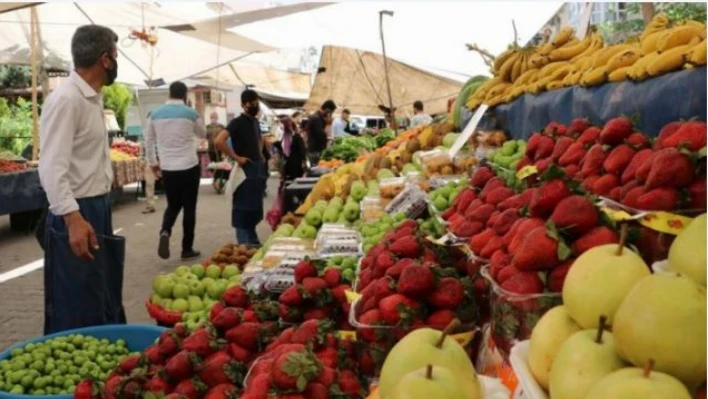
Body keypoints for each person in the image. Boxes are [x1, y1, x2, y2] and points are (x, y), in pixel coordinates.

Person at [38, 25, 126, 334]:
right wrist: (73, 219)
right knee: (76, 304)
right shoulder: (67, 100)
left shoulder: (92, 98)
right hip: (76, 212)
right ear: (105, 59)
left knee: (101, 295)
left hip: (96, 208)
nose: (116, 62)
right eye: (116, 55)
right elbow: (51, 166)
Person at [145, 81, 206, 260]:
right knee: (189, 208)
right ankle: (187, 248)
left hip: (168, 168)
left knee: (173, 205)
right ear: (185, 95)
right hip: (189, 166)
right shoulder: (191, 113)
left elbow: (149, 140)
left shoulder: (154, 114)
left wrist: (153, 163)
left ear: (169, 94)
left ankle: (165, 230)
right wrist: (195, 114)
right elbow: (202, 134)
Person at [215, 89, 268, 246]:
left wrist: (261, 154)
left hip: (257, 169)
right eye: (252, 103)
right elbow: (219, 141)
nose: (255, 106)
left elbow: (260, 138)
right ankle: (243, 244)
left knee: (254, 209)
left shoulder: (255, 122)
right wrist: (237, 158)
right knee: (243, 209)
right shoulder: (236, 123)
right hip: (245, 171)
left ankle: (253, 240)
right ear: (243, 105)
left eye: (257, 103)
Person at [306, 99, 336, 166]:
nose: (331, 115)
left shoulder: (316, 116)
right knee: (316, 170)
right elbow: (321, 135)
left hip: (313, 148)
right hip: (315, 150)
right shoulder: (317, 118)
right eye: (331, 113)